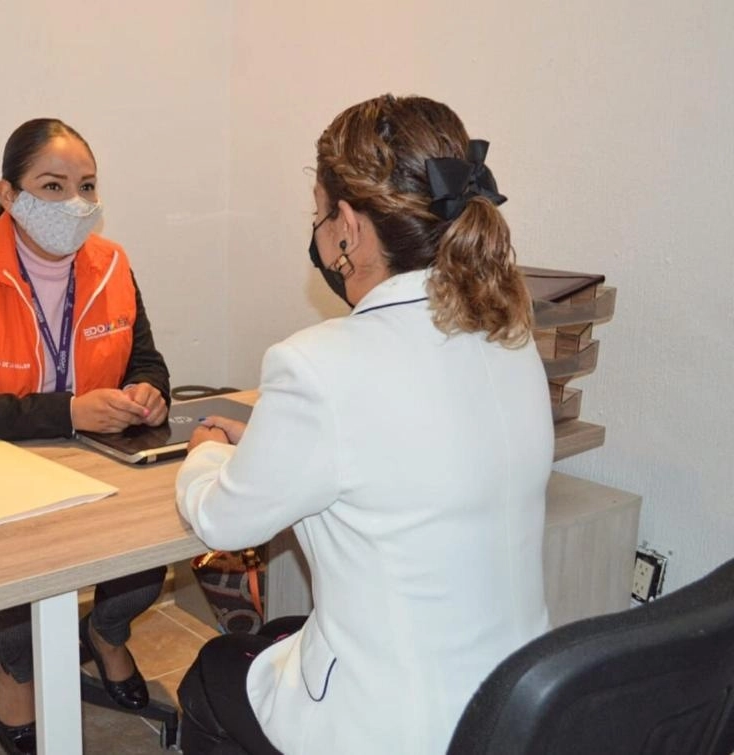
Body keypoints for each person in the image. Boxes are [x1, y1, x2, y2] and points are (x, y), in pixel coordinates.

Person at [174, 95, 554, 754]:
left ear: (348, 228)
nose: (319, 233)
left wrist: (207, 449)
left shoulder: (317, 362)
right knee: (287, 628)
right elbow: (406, 436)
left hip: (393, 729)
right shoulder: (511, 335)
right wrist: (277, 431)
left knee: (211, 673)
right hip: (509, 708)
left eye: (319, 215)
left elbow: (222, 522)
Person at [0, 118, 171, 755]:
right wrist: (71, 412)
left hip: (97, 459)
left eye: (86, 186)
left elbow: (147, 359)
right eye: (51, 186)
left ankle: (107, 632)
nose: (73, 204)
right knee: (24, 564)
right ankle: (17, 667)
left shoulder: (111, 264)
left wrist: (146, 390)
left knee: (165, 522)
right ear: (8, 193)